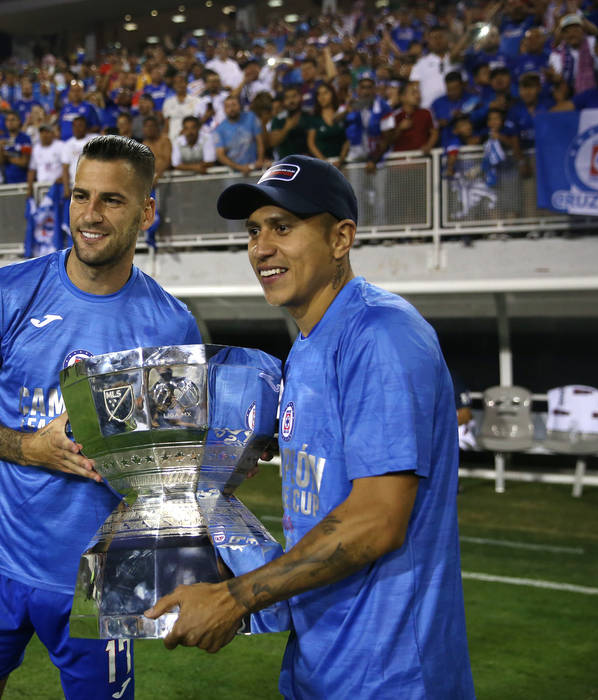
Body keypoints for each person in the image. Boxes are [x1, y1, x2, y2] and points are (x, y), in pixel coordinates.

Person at [145, 154, 475, 699]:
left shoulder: (382, 335)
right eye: (254, 231)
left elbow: (376, 520)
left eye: (284, 227)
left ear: (341, 238)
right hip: (321, 663)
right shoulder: (306, 345)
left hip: (390, 677)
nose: (262, 248)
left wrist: (237, 598)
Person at [0, 135, 202, 700]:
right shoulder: (8, 292)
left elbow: (171, 471)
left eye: (112, 200)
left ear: (146, 212)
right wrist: (31, 448)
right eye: (81, 196)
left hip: (99, 582)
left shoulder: (171, 326)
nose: (91, 215)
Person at [214, 95, 265, 175]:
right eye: (228, 106)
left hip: (254, 169)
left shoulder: (251, 117)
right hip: (233, 173)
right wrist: (240, 168)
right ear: (224, 109)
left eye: (234, 105)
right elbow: (220, 155)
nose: (231, 109)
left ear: (240, 106)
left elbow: (260, 141)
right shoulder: (220, 129)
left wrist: (260, 159)